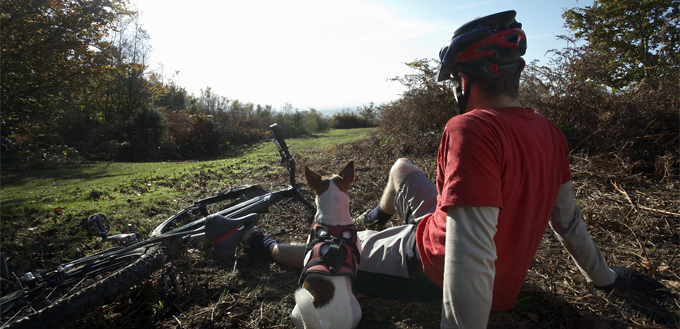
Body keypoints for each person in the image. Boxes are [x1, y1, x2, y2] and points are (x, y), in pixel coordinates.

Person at [239, 10, 662, 328]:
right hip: (442, 226)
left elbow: (472, 253)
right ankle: (378, 215)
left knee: (332, 246)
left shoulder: (469, 128)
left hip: (427, 264)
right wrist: (605, 278)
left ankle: (264, 244)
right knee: (403, 167)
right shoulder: (551, 134)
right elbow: (568, 222)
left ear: (464, 79)